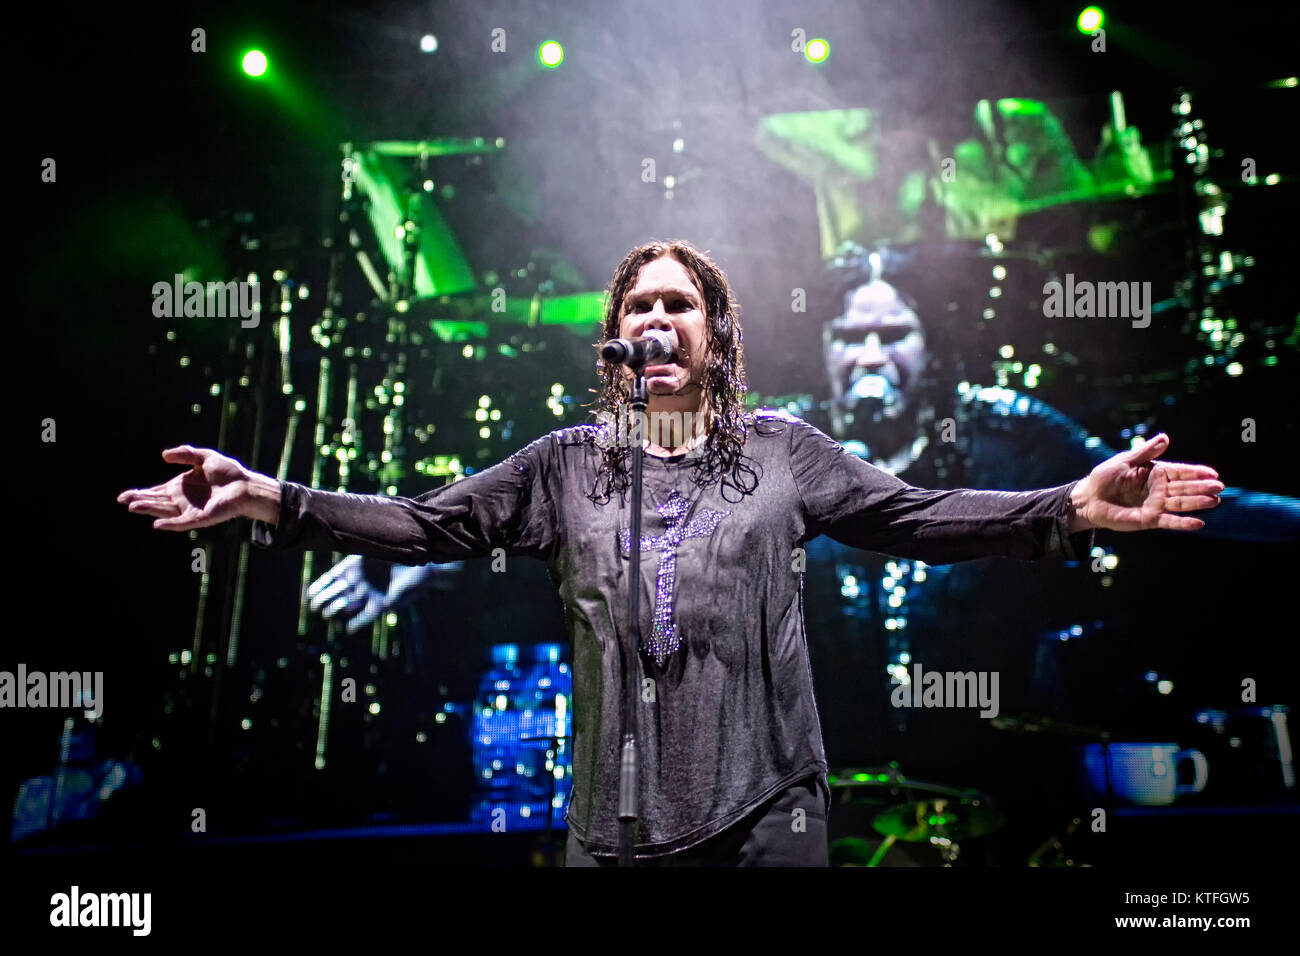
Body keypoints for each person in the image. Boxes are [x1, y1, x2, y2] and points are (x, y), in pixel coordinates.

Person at [119, 238, 1224, 866]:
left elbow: (919, 515)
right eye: (638, 302)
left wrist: (1069, 506)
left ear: (715, 335)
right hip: (614, 822)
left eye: (679, 303)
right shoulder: (563, 466)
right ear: (614, 335)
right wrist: (270, 496)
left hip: (770, 811)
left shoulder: (785, 450)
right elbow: (428, 522)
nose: (658, 317)